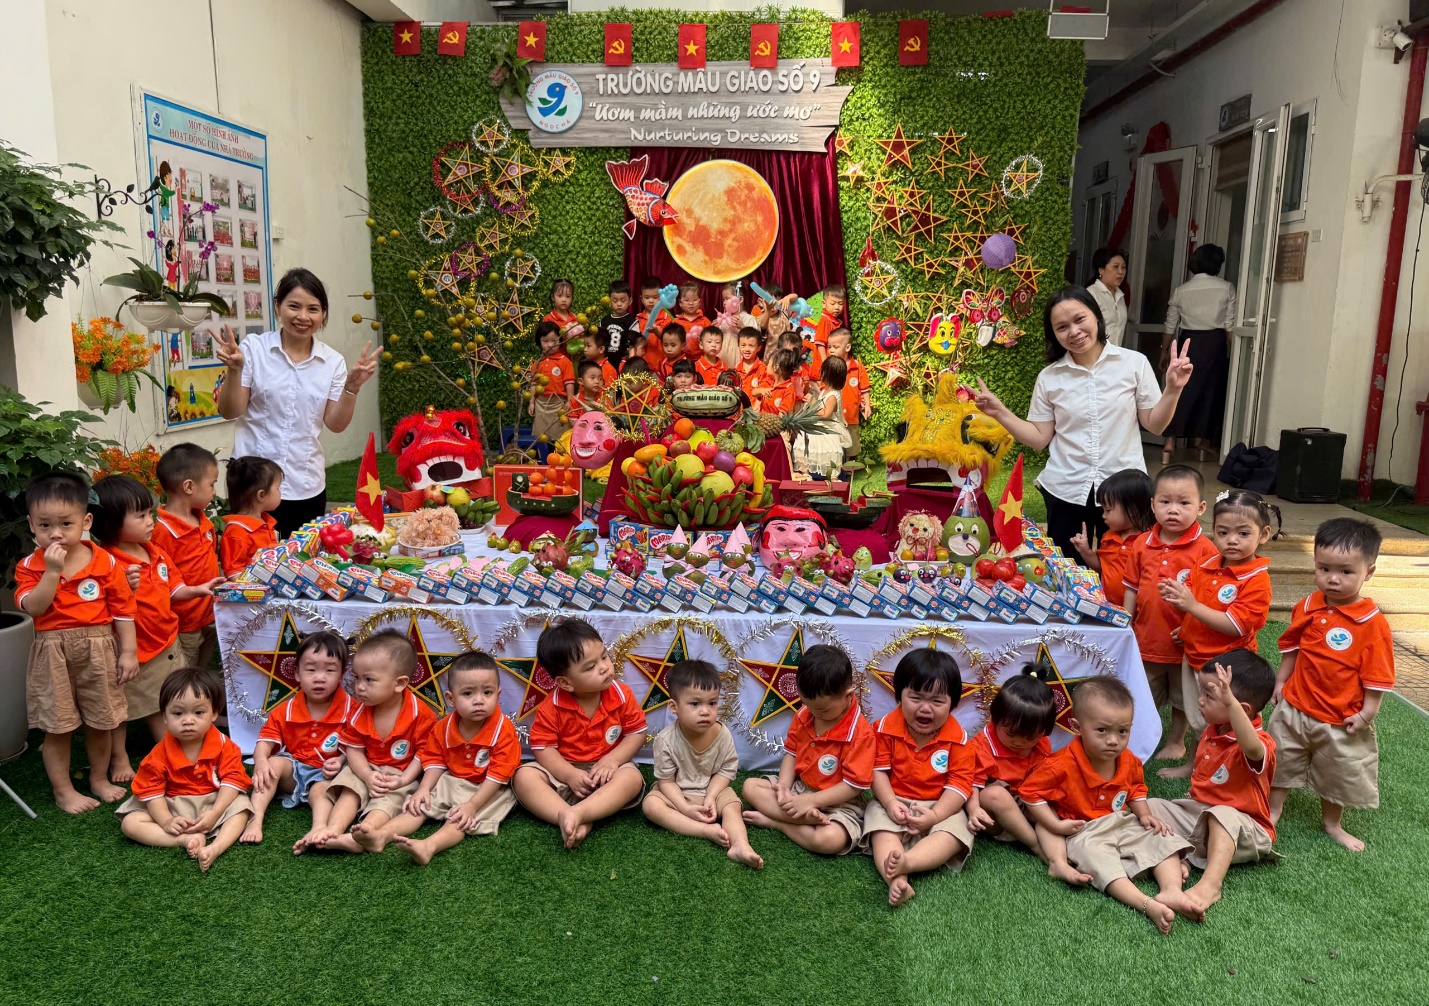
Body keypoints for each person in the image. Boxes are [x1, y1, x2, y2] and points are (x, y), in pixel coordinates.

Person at [971, 287, 1193, 562]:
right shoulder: (1050, 377)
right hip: (1066, 490)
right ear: (1054, 333)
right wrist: (1000, 413)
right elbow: (1040, 438)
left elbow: (1155, 425)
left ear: (1096, 317)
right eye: (1062, 327)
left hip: (1125, 491)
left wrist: (1173, 389)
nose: (1073, 332)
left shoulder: (1134, 364)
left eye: (1080, 320)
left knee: (1128, 573)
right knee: (1069, 574)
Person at [213, 268, 380, 537]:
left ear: (323, 314)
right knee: (250, 565)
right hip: (252, 486)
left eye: (313, 309)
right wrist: (235, 370)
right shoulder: (254, 349)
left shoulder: (332, 362)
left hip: (306, 483)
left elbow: (335, 424)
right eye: (294, 306)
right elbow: (230, 411)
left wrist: (351, 388)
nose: (303, 317)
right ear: (278, 307)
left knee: (303, 566)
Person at [1020, 677, 1193, 935]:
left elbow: (1135, 789)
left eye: (1122, 731)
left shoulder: (1129, 760)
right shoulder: (1061, 765)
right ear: (1077, 727)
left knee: (1162, 837)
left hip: (1120, 820)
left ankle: (1172, 891)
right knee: (1097, 860)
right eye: (1102, 731)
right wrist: (1055, 824)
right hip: (1084, 830)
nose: (1113, 740)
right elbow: (1030, 792)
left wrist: (1145, 815)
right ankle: (1145, 904)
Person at [1269, 517, 1395, 852]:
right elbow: (1293, 649)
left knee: (1337, 771)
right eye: (1324, 569)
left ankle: (1332, 824)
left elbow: (1377, 675)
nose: (1333, 579)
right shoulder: (1307, 606)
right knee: (1280, 759)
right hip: (1295, 706)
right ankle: (1272, 811)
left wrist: (1368, 712)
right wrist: (1281, 682)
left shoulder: (1372, 624)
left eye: (1345, 572)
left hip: (1341, 718)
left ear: (1368, 571)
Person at [16, 472, 138, 813]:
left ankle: (99, 778)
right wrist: (52, 572)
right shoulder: (29, 566)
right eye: (44, 525)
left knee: (103, 721)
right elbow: (35, 607)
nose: (55, 533)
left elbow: (123, 609)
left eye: (66, 524)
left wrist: (128, 652)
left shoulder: (105, 561)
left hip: (99, 647)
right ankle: (64, 790)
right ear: (31, 525)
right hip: (52, 650)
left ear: (86, 521)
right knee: (59, 726)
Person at [92, 476, 222, 782]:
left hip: (167, 642)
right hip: (136, 652)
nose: (151, 521)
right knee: (122, 708)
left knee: (162, 699)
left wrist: (199, 588)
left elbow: (174, 589)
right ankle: (120, 758)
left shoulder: (155, 552)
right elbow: (101, 609)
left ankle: (173, 746)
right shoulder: (107, 562)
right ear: (110, 524)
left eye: (149, 513)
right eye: (141, 516)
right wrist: (123, 586)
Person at [1146, 649, 1280, 920]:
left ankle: (1210, 885)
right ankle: (1179, 859)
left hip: (1245, 830)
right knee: (1151, 808)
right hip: (1201, 819)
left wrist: (1230, 703)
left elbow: (1253, 750)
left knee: (1221, 814)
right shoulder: (1213, 729)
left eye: (1209, 696)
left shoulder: (1259, 742)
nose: (1199, 701)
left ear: (1240, 710)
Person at [1156, 488, 1275, 755]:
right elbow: (1195, 598)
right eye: (1223, 533)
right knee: (1201, 712)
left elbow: (1235, 625)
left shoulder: (1256, 580)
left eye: (1243, 533)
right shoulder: (1207, 563)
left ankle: (1226, 763)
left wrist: (1192, 606)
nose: (1232, 540)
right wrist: (1184, 616)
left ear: (1264, 535)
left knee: (1221, 716)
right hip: (1195, 655)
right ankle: (1197, 762)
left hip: (1226, 667)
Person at [513, 618, 647, 848]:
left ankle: (580, 814)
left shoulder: (621, 694)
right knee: (524, 777)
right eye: (590, 667)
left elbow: (637, 733)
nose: (605, 667)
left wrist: (613, 760)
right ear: (565, 683)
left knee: (632, 778)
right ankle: (568, 815)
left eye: (604, 656)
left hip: (607, 772)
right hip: (565, 771)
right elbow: (544, 749)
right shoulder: (551, 706)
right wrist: (568, 775)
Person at [299, 630, 437, 854]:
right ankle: (333, 829)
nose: (359, 686)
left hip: (399, 773)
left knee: (388, 800)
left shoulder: (421, 715)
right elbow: (354, 749)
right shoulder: (358, 710)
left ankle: (367, 832)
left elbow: (425, 754)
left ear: (399, 683)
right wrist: (365, 775)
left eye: (369, 680)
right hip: (364, 766)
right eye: (357, 678)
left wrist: (403, 780)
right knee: (350, 789)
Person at [380, 653, 523, 863]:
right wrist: (423, 789)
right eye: (468, 693)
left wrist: (472, 805)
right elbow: (435, 760)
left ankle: (429, 846)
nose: (479, 700)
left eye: (487, 692)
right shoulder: (444, 727)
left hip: (488, 788)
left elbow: (498, 774)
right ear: (450, 698)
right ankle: (380, 835)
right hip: (452, 779)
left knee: (459, 820)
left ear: (498, 694)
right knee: (418, 807)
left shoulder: (503, 730)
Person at [1122, 464, 1219, 762]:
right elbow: (1132, 588)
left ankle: (1176, 741)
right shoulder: (1141, 544)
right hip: (1146, 638)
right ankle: (1137, 739)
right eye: (1165, 502)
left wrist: (1191, 626)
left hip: (1184, 645)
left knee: (1183, 696)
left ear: (1201, 507)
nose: (1173, 510)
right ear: (1153, 505)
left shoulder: (1206, 550)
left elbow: (1208, 599)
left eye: (1184, 503)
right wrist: (1125, 624)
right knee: (1141, 691)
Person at [866, 649, 976, 907]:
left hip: (940, 805)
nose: (925, 708)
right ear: (899, 696)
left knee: (953, 833)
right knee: (880, 829)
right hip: (894, 800)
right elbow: (877, 771)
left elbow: (959, 786)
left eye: (937, 702)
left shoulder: (958, 739)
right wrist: (891, 804)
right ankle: (897, 881)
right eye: (915, 697)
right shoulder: (883, 729)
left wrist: (936, 816)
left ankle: (909, 862)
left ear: (953, 703)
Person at [115, 666, 252, 871]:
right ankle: (183, 840)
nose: (188, 720)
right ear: (164, 716)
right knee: (130, 823)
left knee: (242, 808)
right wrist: (167, 820)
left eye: (198, 712)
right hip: (172, 805)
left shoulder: (225, 745)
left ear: (214, 713)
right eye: (178, 713)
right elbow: (152, 793)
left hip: (213, 801)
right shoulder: (158, 754)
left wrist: (215, 813)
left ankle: (216, 848)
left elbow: (233, 780)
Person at [742, 644, 873, 855]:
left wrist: (812, 801)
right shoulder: (806, 714)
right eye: (806, 704)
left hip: (839, 802)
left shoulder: (861, 734)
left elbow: (853, 786)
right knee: (750, 786)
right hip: (800, 789)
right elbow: (791, 754)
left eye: (822, 709)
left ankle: (779, 823)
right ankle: (801, 819)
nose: (813, 713)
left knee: (830, 840)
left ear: (848, 695)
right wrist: (784, 786)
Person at [642, 659, 763, 869]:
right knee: (651, 805)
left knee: (732, 805)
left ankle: (740, 845)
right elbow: (666, 781)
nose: (705, 711)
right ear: (674, 707)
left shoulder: (722, 733)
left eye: (712, 703)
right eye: (695, 704)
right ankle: (703, 830)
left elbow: (726, 770)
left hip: (712, 791)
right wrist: (684, 807)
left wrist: (712, 796)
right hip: (678, 792)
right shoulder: (665, 740)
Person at [242, 631, 355, 847]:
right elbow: (264, 742)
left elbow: (359, 747)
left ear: (342, 674)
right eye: (311, 669)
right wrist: (261, 762)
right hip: (293, 770)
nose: (319, 677)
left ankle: (318, 827)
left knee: (320, 791)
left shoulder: (353, 710)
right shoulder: (286, 709)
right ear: (297, 673)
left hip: (326, 775)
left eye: (330, 670)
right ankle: (255, 818)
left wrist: (341, 760)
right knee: (272, 765)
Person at [965, 674, 1057, 855]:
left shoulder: (1041, 743)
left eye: (1030, 737)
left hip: (1028, 802)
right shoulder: (982, 746)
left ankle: (1056, 838)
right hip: (995, 816)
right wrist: (974, 809)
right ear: (996, 719)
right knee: (995, 794)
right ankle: (1035, 845)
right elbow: (971, 786)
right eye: (1011, 734)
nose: (1019, 743)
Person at [1162, 243, 1237, 462]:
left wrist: (1164, 350)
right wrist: (1231, 352)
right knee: (1210, 392)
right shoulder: (1226, 288)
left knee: (1179, 390)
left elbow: (1170, 324)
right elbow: (1229, 325)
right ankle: (1203, 444)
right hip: (1214, 342)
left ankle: (1169, 443)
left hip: (1188, 341)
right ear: (1217, 264)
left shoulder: (1181, 290)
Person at [153, 444, 223, 670]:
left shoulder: (202, 520)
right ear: (189, 486)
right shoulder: (161, 531)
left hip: (210, 614)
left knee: (206, 670)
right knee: (185, 675)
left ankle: (207, 703)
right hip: (184, 623)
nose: (214, 491)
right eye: (211, 484)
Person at [1069, 468, 1153, 609]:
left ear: (1132, 510)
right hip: (1107, 607)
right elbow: (1103, 569)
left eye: (1108, 510)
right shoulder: (1109, 536)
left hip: (1137, 615)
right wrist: (1085, 551)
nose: (1103, 515)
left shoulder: (1150, 541)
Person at [219, 456, 282, 577]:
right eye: (278, 488)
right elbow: (234, 573)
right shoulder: (237, 532)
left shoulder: (264, 522)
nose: (280, 493)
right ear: (261, 495)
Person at [792, 356, 851, 479]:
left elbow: (825, 414)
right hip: (819, 425)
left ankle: (832, 476)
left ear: (825, 374)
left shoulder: (833, 395)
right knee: (803, 440)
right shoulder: (825, 391)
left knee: (830, 451)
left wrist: (813, 402)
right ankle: (806, 472)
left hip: (828, 427)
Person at [824, 328, 871, 462]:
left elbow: (865, 387)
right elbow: (824, 389)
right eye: (829, 347)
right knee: (835, 441)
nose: (831, 350)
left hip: (851, 415)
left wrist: (867, 405)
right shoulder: (829, 367)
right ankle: (837, 464)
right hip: (834, 417)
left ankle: (851, 464)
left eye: (835, 347)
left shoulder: (857, 366)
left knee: (852, 441)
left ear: (847, 347)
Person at [529, 320, 573, 446]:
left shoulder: (565, 362)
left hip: (559, 403)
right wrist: (532, 402)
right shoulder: (537, 363)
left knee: (560, 435)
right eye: (545, 341)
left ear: (560, 341)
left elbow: (569, 382)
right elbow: (533, 384)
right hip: (541, 403)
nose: (550, 345)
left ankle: (559, 458)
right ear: (539, 342)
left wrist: (570, 400)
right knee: (540, 435)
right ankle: (540, 460)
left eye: (554, 341)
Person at [1086, 248, 1128, 347]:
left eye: (1123, 267)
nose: (1121, 272)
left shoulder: (1120, 296)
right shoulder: (1092, 294)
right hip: (1096, 356)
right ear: (1101, 270)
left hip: (1116, 354)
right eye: (1115, 267)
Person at [599, 280, 641, 368]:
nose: (619, 304)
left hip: (624, 363)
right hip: (606, 363)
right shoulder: (604, 321)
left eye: (623, 301)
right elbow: (599, 342)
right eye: (615, 301)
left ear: (630, 301)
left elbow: (634, 345)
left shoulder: (632, 322)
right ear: (610, 301)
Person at [759, 349, 799, 417]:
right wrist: (761, 391)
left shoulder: (788, 390)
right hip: (761, 423)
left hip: (773, 426)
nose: (767, 365)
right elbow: (753, 392)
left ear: (776, 367)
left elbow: (782, 415)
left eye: (769, 363)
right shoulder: (769, 381)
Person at [735, 327, 769, 403]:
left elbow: (764, 393)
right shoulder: (735, 369)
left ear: (759, 348)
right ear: (738, 346)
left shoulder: (763, 369)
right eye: (743, 345)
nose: (747, 349)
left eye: (751, 346)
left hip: (755, 412)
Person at [807, 283, 846, 349]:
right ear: (824, 304)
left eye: (840, 303)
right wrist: (825, 359)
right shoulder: (825, 320)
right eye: (832, 303)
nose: (837, 307)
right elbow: (820, 344)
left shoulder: (833, 320)